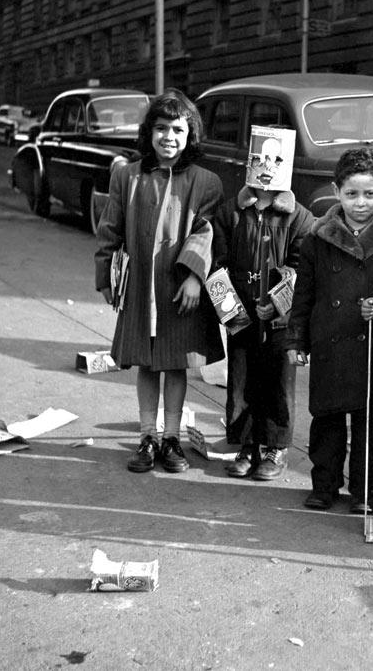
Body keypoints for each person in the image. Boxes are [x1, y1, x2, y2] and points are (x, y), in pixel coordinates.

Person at [95, 88, 224, 474]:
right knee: (147, 363)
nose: (169, 137)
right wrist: (106, 277)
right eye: (161, 128)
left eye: (178, 130)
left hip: (181, 289)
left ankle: (172, 439)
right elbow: (109, 229)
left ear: (190, 136)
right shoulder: (127, 176)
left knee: (176, 363)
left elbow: (206, 232)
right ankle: (147, 437)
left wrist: (194, 278)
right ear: (149, 132)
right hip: (141, 286)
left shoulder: (206, 182)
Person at [285, 147, 373, 514]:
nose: (360, 203)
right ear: (337, 191)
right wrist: (297, 339)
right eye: (351, 194)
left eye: (370, 194)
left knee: (368, 421)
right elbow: (303, 295)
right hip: (329, 341)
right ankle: (324, 485)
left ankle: (364, 492)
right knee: (327, 420)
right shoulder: (317, 239)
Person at [212, 127, 314, 481]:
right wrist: (231, 310)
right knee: (241, 380)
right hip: (241, 316)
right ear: (248, 163)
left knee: (278, 383)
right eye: (261, 158)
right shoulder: (231, 213)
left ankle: (275, 447)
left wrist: (279, 302)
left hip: (280, 321)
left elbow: (302, 266)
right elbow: (217, 264)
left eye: (277, 159)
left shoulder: (298, 217)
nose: (267, 166)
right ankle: (246, 444)